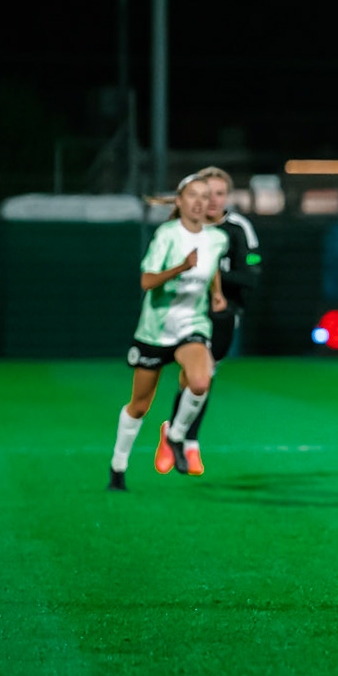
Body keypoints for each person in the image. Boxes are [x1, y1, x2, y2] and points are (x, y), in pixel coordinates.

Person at [106, 175, 228, 490]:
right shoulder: (166, 236)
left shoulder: (217, 239)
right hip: (156, 329)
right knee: (140, 405)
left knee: (201, 381)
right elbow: (147, 282)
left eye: (205, 196)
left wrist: (216, 292)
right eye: (193, 196)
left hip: (192, 325)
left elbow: (211, 264)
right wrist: (181, 269)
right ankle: (118, 467)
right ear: (180, 201)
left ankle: (175, 436)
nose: (200, 202)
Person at [163, 167, 261, 476]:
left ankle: (175, 435)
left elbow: (253, 273)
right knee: (197, 376)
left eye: (220, 193)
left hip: (224, 313)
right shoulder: (183, 229)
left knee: (199, 379)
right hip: (187, 312)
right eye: (208, 194)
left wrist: (215, 275)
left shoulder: (239, 228)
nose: (214, 200)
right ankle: (186, 443)